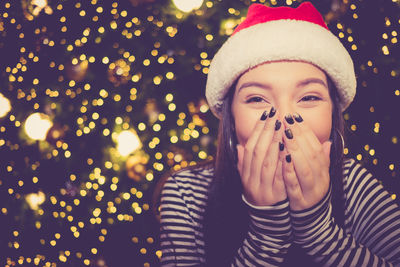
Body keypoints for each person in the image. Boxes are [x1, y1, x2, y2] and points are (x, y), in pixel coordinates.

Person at [157, 2, 400, 266]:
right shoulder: (186, 194)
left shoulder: (352, 183)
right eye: (257, 99)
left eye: (308, 97)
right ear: (231, 117)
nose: (284, 118)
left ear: (333, 113)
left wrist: (319, 230)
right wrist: (267, 235)